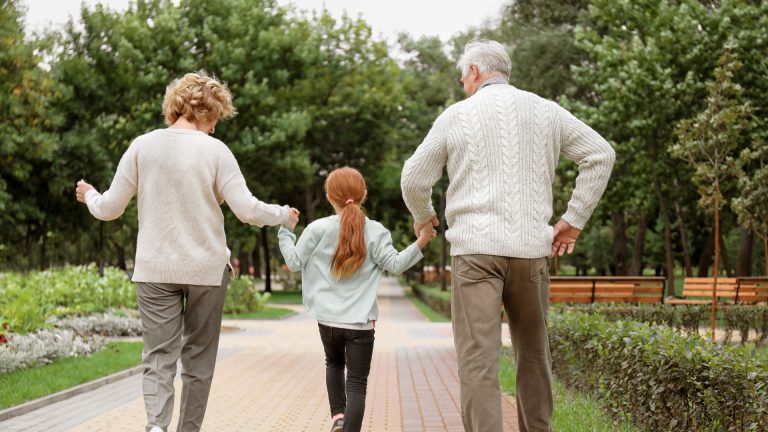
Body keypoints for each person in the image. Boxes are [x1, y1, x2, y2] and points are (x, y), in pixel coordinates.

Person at [400, 40, 616, 432]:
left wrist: (425, 218)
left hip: (475, 254)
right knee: (534, 355)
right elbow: (601, 155)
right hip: (531, 251)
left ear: (476, 72)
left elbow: (414, 178)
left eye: (463, 75)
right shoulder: (546, 111)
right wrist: (574, 218)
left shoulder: (457, 116)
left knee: (477, 359)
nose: (463, 83)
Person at [74, 71, 299, 432]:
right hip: (206, 272)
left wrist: (90, 196)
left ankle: (156, 427)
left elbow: (109, 209)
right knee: (198, 361)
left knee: (158, 358)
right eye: (216, 120)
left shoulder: (142, 146)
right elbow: (247, 210)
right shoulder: (216, 152)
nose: (215, 129)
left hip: (154, 269)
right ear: (207, 111)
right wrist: (282, 215)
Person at [277, 166, 435, 432]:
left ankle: (338, 417)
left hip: (327, 322)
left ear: (329, 196)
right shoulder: (376, 231)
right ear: (364, 195)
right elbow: (395, 264)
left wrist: (285, 229)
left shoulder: (317, 228)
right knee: (357, 384)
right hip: (360, 325)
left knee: (334, 364)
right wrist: (421, 241)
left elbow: (293, 262)